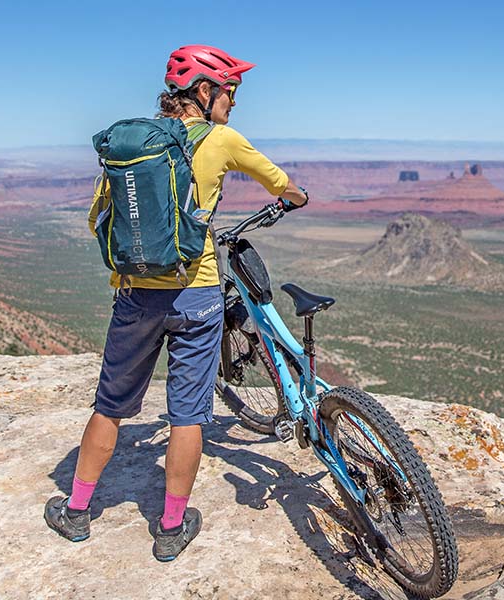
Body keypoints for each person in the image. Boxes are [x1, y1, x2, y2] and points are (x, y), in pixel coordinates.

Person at [44, 44, 308, 561]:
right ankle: (170, 526)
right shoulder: (222, 139)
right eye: (230, 92)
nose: (233, 103)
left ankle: (76, 512)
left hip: (136, 295)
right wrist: (296, 197)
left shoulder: (136, 146)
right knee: (187, 414)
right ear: (205, 92)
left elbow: (98, 215)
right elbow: (278, 182)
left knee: (111, 406)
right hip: (198, 294)